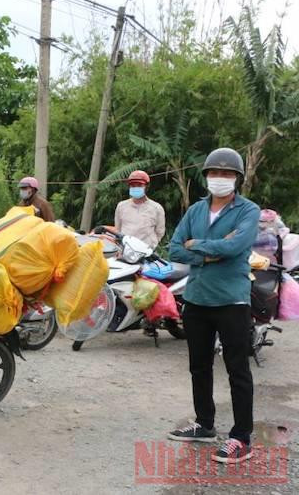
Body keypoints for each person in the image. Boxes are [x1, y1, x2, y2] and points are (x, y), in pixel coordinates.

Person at [167, 148, 260, 464]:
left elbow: (237, 246)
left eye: (227, 173)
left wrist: (198, 246)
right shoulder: (195, 211)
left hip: (231, 300)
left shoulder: (248, 211)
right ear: (206, 176)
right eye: (214, 173)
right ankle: (204, 424)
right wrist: (209, 253)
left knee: (237, 369)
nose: (219, 178)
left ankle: (241, 437)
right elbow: (175, 249)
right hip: (197, 298)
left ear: (237, 178)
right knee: (199, 365)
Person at [114, 170, 166, 249]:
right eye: (133, 185)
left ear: (146, 187)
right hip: (124, 250)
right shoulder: (121, 206)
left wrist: (151, 245)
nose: (136, 188)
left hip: (146, 252)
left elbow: (160, 232)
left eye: (139, 185)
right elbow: (118, 229)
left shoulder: (156, 208)